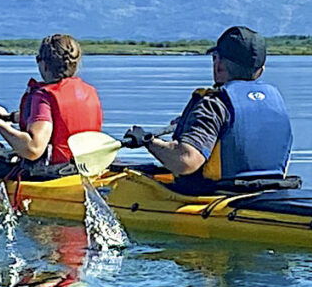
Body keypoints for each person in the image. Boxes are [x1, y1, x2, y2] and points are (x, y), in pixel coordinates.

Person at [123, 26, 293, 195]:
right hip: (270, 192)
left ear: (219, 65)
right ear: (260, 71)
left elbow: (187, 161)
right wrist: (188, 125)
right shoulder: (275, 102)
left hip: (215, 196)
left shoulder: (214, 104)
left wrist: (148, 141)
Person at [0, 33, 104, 182]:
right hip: (82, 168)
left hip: (51, 174)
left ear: (45, 64)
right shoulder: (89, 92)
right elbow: (57, 118)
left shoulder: (43, 96)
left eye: (38, 59)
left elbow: (33, 149)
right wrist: (8, 117)